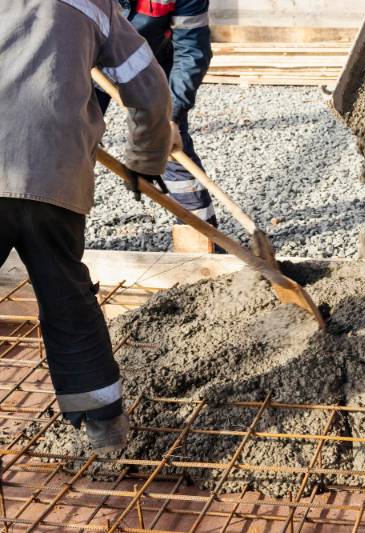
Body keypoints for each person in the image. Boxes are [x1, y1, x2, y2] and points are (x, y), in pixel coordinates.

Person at [0, 0, 173, 452]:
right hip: (56, 174)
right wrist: (146, 158)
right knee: (68, 301)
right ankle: (107, 433)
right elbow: (150, 88)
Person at [97, 0, 218, 227]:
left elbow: (191, 50)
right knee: (70, 144)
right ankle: (51, 240)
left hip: (150, 59)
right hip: (88, 60)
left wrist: (170, 117)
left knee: (170, 144)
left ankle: (201, 237)